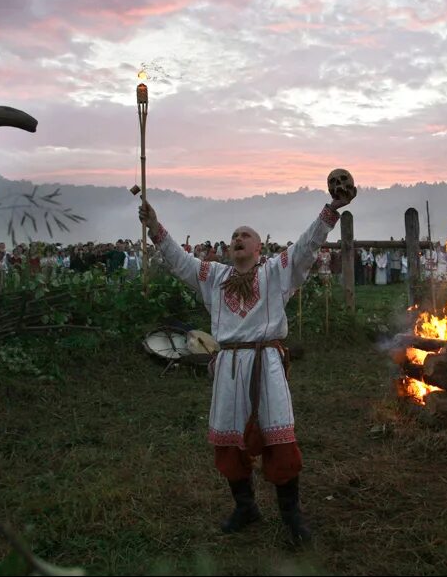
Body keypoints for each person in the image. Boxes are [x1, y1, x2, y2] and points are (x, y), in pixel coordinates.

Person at [137, 187, 353, 545]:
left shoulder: (275, 272)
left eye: (246, 235)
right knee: (228, 442)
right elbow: (178, 260)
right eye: (234, 235)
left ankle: (292, 515)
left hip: (265, 363)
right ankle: (246, 507)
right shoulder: (213, 277)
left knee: (279, 438)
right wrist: (155, 225)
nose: (238, 238)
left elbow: (306, 246)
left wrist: (332, 209)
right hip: (228, 367)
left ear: (259, 249)